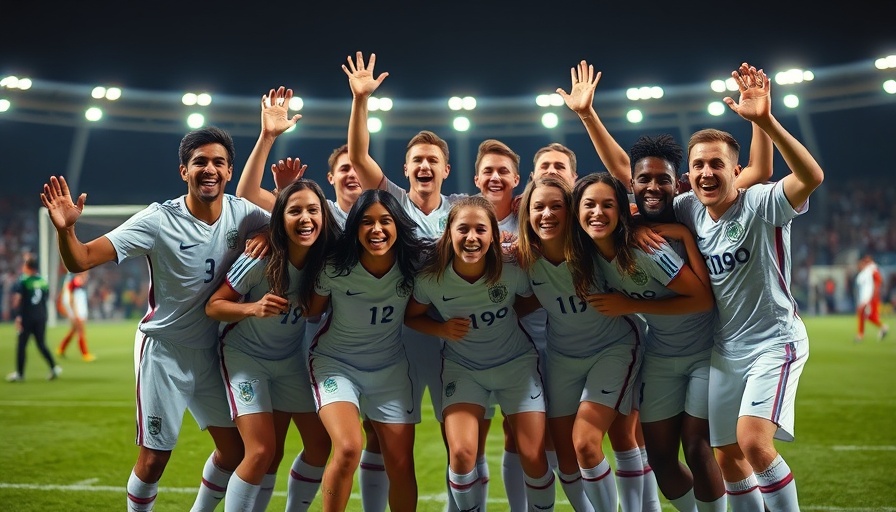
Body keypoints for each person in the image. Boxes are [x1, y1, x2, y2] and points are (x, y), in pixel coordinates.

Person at [39, 126, 272, 512]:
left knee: (235, 452)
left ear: (230, 172)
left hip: (213, 352)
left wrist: (267, 232)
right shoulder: (157, 219)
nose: (209, 169)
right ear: (184, 171)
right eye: (200, 162)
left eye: (218, 162)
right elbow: (78, 260)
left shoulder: (244, 213)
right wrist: (67, 231)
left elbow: (290, 227)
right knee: (153, 461)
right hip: (164, 350)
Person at [671, 62, 825, 511]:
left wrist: (764, 122)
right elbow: (631, 181)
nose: (705, 173)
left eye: (716, 164)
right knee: (726, 455)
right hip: (726, 348)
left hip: (775, 343)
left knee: (753, 443)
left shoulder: (760, 203)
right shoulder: (688, 210)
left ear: (737, 170)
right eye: (697, 164)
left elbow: (811, 177)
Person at [344, 51, 481, 511]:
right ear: (405, 170)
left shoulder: (462, 211)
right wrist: (360, 101)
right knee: (378, 439)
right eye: (417, 160)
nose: (424, 167)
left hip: (450, 340)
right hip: (395, 337)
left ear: (446, 169)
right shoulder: (393, 203)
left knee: (461, 438)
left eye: (432, 161)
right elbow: (359, 156)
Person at [572, 171, 723, 512]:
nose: (597, 212)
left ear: (621, 212)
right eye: (589, 205)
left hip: (704, 352)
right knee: (659, 458)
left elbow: (702, 299)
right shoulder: (587, 255)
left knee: (697, 448)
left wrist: (632, 304)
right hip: (660, 354)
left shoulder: (646, 247)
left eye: (607, 205)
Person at [404, 196, 556, 511]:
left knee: (533, 455)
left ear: (492, 236)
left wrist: (509, 313)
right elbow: (411, 315)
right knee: (461, 455)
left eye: (480, 230)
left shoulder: (511, 268)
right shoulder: (431, 278)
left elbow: (534, 297)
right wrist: (441, 330)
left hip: (516, 365)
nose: (471, 237)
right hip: (464, 369)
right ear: (449, 234)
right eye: (463, 229)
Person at [205, 179, 339, 512]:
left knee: (320, 444)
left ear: (324, 216)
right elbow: (214, 306)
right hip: (245, 357)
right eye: (294, 211)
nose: (305, 218)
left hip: (290, 360)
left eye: (312, 210)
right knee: (262, 451)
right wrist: (253, 307)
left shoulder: (326, 259)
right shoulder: (259, 257)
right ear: (279, 219)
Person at [305, 188, 423, 511]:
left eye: (385, 221)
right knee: (347, 448)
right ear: (355, 227)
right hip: (336, 364)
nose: (376, 230)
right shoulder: (334, 266)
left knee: (401, 465)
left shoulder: (413, 265)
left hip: (390, 369)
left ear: (398, 224)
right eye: (367, 222)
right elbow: (313, 311)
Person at [6, 255, 61, 382]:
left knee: (21, 345)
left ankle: (20, 374)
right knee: (41, 344)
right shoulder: (43, 281)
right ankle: (54, 368)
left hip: (27, 318)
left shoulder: (23, 281)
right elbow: (47, 298)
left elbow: (17, 300)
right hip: (41, 317)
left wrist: (17, 316)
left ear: (27, 267)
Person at [56, 270, 96, 362]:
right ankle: (85, 354)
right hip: (76, 312)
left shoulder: (77, 282)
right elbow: (71, 299)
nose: (87, 275)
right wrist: (75, 312)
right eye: (86, 273)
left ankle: (61, 349)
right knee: (81, 331)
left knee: (73, 331)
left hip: (78, 311)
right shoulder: (76, 282)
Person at [854, 254, 888, 342]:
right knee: (864, 314)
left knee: (868, 315)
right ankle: (881, 328)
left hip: (871, 298)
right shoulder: (867, 271)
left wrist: (874, 295)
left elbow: (878, 282)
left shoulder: (872, 269)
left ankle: (861, 334)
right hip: (867, 297)